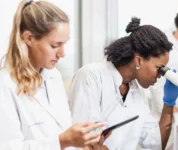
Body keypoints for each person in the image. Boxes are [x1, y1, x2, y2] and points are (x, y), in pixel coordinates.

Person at [0, 1, 110, 150]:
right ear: (29, 38)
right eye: (55, 45)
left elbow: (60, 134)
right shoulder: (5, 84)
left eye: (64, 44)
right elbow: (8, 147)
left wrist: (84, 145)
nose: (62, 54)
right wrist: (62, 141)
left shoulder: (53, 76)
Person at [68, 17, 178, 150]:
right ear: (138, 61)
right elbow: (85, 142)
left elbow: (156, 144)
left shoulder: (137, 92)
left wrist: (168, 104)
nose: (160, 76)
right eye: (159, 68)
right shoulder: (91, 76)